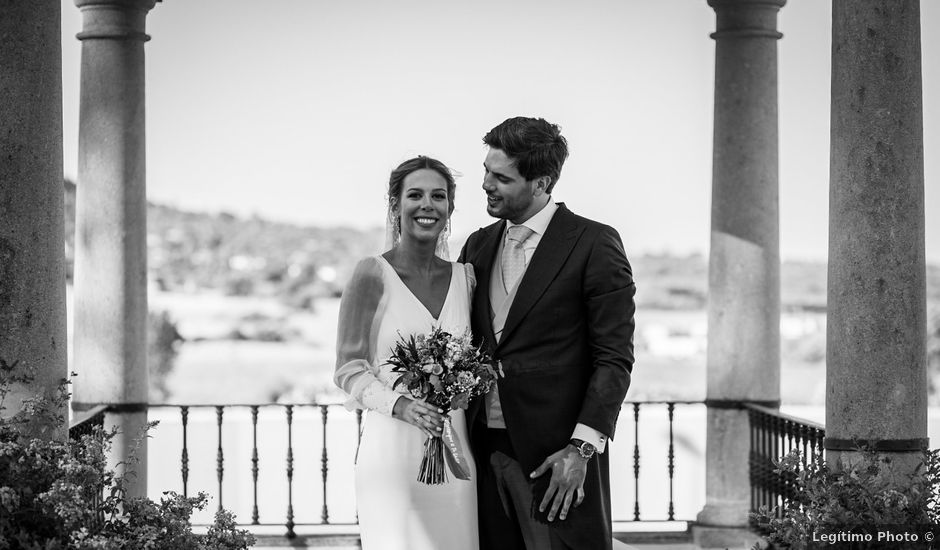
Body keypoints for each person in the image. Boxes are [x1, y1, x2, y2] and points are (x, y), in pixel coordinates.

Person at [458, 117, 636, 550]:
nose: (486, 184)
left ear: (541, 182)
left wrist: (582, 449)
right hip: (481, 451)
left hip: (554, 460)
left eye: (501, 177)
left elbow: (614, 358)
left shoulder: (593, 243)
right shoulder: (476, 246)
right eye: (486, 170)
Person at [334, 156, 479, 550]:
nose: (427, 205)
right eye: (415, 195)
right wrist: (402, 405)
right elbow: (348, 369)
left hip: (456, 454)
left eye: (439, 196)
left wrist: (466, 386)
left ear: (450, 208)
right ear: (396, 206)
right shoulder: (371, 273)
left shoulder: (465, 278)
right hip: (391, 457)